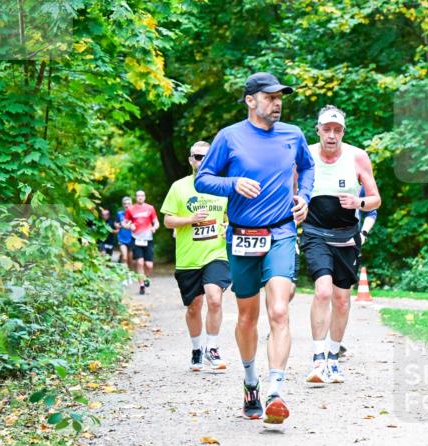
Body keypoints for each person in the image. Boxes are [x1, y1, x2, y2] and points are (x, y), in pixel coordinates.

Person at [195, 72, 314, 425]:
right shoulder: (229, 137)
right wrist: (233, 183)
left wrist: (304, 197)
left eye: (280, 97)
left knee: (279, 309)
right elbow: (204, 178)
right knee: (247, 316)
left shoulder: (292, 135)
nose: (277, 103)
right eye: (269, 97)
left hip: (281, 231)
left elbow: (307, 168)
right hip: (243, 235)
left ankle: (276, 390)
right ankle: (251, 383)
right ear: (251, 100)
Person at [301, 106, 380, 385]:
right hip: (314, 232)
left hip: (346, 236)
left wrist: (357, 202)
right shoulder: (305, 154)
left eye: (337, 130)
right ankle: (317, 358)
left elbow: (375, 200)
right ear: (318, 130)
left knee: (342, 300)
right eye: (327, 129)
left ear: (343, 132)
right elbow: (290, 189)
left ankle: (333, 359)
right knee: (322, 291)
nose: (332, 135)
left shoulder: (357, 156)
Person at [160, 140, 231, 372]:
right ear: (191, 160)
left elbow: (233, 217)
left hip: (216, 253)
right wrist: (190, 220)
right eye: (198, 157)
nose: (202, 161)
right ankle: (196, 349)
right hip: (188, 257)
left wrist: (227, 228)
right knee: (193, 306)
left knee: (214, 298)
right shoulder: (179, 187)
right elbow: (168, 220)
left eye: (206, 157)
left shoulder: (222, 186)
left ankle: (212, 348)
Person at [337, 187, 378, 359]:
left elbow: (372, 212)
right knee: (325, 291)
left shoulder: (357, 182)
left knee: (342, 295)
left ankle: (336, 341)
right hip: (323, 239)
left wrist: (364, 234)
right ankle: (325, 344)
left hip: (351, 242)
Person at [127, 190, 159, 295]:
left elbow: (156, 222)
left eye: (142, 195)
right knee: (140, 262)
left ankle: (145, 278)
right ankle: (141, 285)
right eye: (138, 196)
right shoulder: (131, 209)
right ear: (136, 197)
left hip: (147, 239)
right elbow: (125, 222)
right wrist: (129, 225)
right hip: (136, 238)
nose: (140, 197)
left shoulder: (150, 208)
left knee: (149, 265)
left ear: (145, 197)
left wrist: (154, 227)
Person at [116, 196, 134, 277]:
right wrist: (116, 225)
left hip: (132, 238)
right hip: (122, 238)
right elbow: (115, 223)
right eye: (125, 204)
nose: (127, 205)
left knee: (130, 259)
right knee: (124, 257)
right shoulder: (119, 214)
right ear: (122, 205)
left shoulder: (134, 215)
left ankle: (129, 273)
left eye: (128, 204)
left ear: (131, 204)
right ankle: (125, 276)